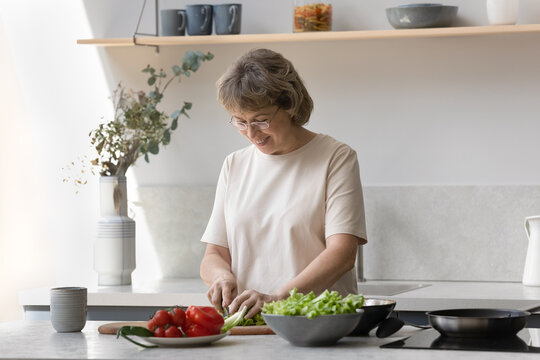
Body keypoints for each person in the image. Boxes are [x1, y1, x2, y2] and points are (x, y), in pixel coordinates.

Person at [200, 48, 367, 319]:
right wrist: (220, 277)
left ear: (289, 104)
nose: (251, 134)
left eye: (260, 120)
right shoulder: (234, 164)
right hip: (251, 325)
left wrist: (278, 299)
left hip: (318, 325)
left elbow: (343, 253)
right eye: (240, 122)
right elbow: (215, 252)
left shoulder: (335, 157)